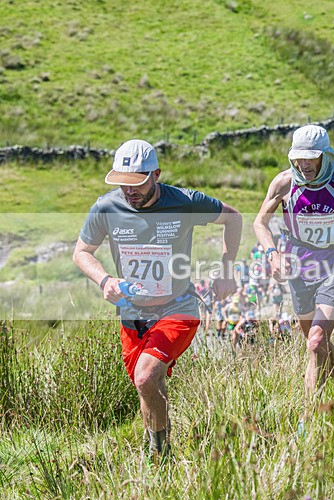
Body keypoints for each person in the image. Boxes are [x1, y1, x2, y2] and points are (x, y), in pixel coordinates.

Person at [73, 139, 242, 459]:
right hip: (132, 314)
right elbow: (81, 253)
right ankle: (160, 452)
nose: (129, 191)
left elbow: (233, 218)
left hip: (178, 306)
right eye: (122, 183)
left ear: (156, 175)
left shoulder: (184, 202)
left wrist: (226, 270)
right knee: (146, 385)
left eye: (136, 183)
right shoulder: (106, 207)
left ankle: (159, 457)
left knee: (147, 375)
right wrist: (105, 279)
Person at [253, 125, 334, 403]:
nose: (305, 164)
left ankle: (310, 417)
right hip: (298, 264)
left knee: (316, 341)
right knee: (314, 343)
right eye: (299, 157)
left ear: (326, 155)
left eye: (311, 157)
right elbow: (259, 222)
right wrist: (273, 254)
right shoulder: (284, 183)